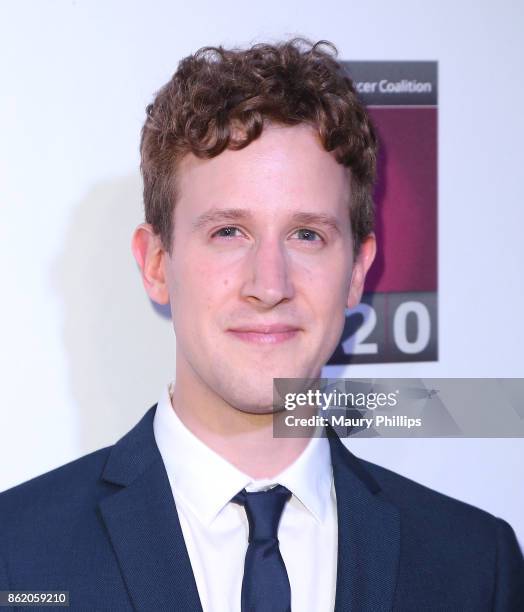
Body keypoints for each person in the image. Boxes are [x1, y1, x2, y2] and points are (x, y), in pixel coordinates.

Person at [0, 38, 522, 612]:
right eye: (229, 232)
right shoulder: (17, 555)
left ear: (357, 272)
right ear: (155, 264)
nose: (269, 284)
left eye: (307, 235)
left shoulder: (474, 566)